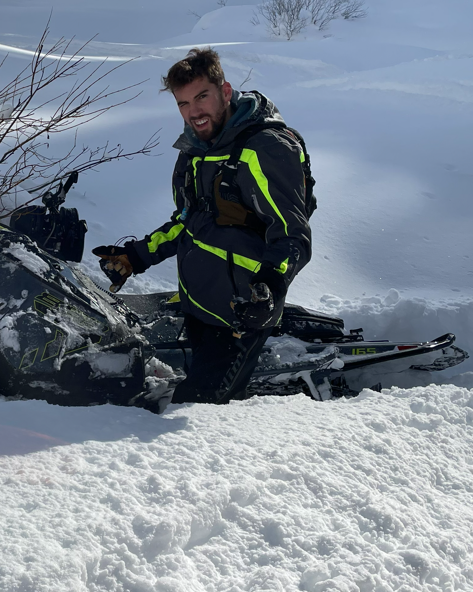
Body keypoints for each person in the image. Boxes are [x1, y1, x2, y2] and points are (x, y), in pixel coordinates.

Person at [93, 48, 314, 404]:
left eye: (201, 97)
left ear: (225, 92)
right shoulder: (196, 151)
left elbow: (292, 234)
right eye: (182, 103)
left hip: (241, 317)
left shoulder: (262, 149)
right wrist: (136, 256)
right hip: (199, 306)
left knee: (201, 417)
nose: (193, 112)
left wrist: (271, 286)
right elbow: (188, 221)